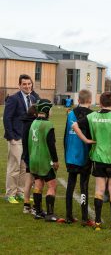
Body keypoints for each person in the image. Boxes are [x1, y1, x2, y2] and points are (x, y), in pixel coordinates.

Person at [72, 91, 111, 231]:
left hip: (99, 157)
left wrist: (86, 140)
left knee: (99, 190)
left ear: (100, 103)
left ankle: (98, 223)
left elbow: (74, 126)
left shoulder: (92, 116)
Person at [3, 74, 36, 204]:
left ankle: (21, 192)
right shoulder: (13, 99)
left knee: (24, 167)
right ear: (19, 85)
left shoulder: (33, 98)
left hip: (29, 138)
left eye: (29, 84)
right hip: (16, 138)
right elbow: (7, 118)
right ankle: (10, 193)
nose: (27, 86)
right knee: (14, 166)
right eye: (24, 84)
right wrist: (11, 136)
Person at [64, 89, 95, 227]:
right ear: (90, 100)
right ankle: (84, 217)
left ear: (78, 101)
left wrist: (66, 153)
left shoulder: (70, 114)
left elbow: (66, 136)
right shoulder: (93, 115)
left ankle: (69, 215)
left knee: (70, 185)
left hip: (71, 155)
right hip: (84, 156)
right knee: (84, 186)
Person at [28, 99, 62, 222]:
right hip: (44, 160)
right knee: (52, 185)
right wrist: (56, 161)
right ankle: (50, 214)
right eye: (51, 109)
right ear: (47, 110)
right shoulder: (48, 125)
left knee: (38, 183)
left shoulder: (34, 123)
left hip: (34, 159)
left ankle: (38, 212)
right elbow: (51, 145)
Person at [21, 105, 38, 214]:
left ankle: (26, 206)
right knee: (37, 181)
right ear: (35, 114)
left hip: (27, 156)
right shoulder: (33, 124)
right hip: (34, 156)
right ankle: (36, 207)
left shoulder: (25, 122)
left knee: (28, 181)